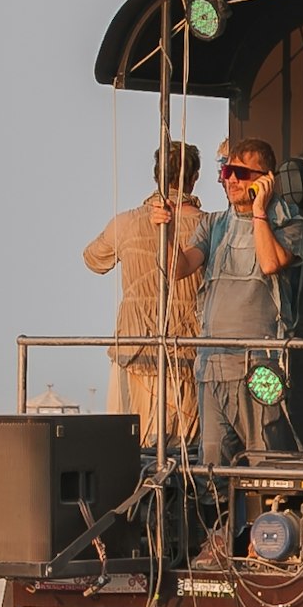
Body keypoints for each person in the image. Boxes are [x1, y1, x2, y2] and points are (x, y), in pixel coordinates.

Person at [189, 136, 303, 475]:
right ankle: (216, 528)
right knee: (211, 469)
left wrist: (259, 212)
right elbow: (178, 267)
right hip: (211, 367)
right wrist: (163, 229)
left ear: (265, 179)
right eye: (227, 171)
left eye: (240, 173)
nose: (231, 180)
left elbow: (271, 263)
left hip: (260, 365)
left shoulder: (289, 220)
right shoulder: (212, 225)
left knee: (265, 466)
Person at [81, 141, 205, 436]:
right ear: (194, 177)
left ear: (155, 175)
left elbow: (93, 259)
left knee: (130, 446)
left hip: (134, 350)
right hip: (187, 353)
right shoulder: (208, 226)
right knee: (189, 452)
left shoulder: (125, 223)